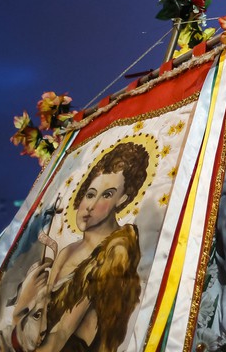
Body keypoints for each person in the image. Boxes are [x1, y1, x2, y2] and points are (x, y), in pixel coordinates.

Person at [40, 141, 148, 352]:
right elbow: (40, 311)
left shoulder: (118, 249)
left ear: (122, 199)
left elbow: (63, 332)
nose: (90, 205)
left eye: (107, 194)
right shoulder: (67, 251)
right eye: (90, 194)